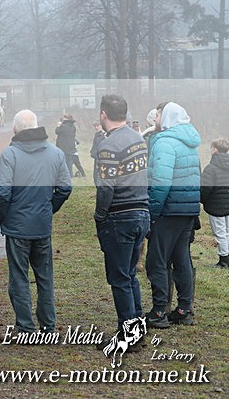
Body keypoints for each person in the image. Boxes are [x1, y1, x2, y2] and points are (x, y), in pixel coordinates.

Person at [0, 109, 71, 334]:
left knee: (19, 278)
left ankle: (25, 327)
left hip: (17, 228)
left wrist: (2, 215)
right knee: (45, 277)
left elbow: (2, 193)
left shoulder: (10, 154)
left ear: (15, 129)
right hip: (42, 226)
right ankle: (48, 325)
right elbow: (65, 187)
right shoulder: (55, 153)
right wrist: (49, 207)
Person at [93, 94, 150, 337]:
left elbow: (107, 186)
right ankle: (137, 328)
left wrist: (99, 215)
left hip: (120, 215)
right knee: (130, 275)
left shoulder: (108, 145)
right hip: (142, 213)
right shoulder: (139, 140)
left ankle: (128, 334)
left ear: (103, 114)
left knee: (118, 278)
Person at [145, 102, 201, 328]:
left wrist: (153, 211)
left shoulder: (165, 142)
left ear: (166, 116)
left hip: (168, 210)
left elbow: (161, 181)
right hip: (187, 209)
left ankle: (159, 311)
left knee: (156, 260)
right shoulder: (190, 142)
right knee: (181, 259)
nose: (155, 117)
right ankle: (184, 309)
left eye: (158, 113)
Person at [201, 138, 229, 269]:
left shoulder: (211, 168)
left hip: (216, 206)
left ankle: (224, 260)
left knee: (220, 233)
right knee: (227, 232)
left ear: (215, 150)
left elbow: (205, 189)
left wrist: (203, 200)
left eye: (211, 148)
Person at [89, 120, 106, 185]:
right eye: (95, 126)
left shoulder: (105, 135)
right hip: (96, 157)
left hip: (102, 157)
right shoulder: (97, 135)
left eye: (98, 126)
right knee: (95, 175)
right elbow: (95, 145)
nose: (96, 127)